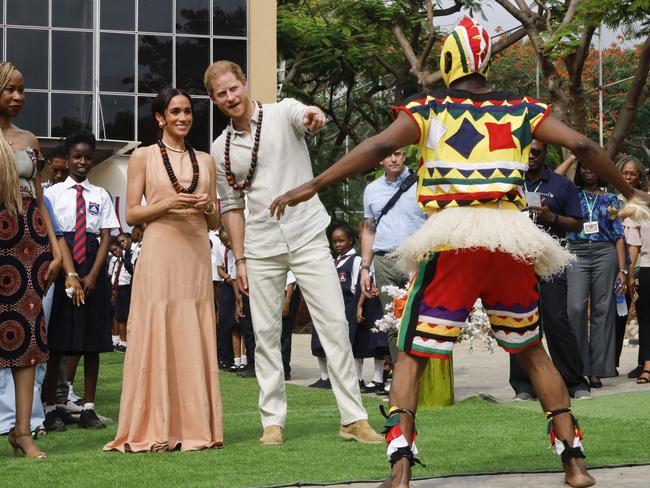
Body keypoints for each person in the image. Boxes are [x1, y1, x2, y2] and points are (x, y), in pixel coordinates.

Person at [269, 17, 650, 488]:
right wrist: (632, 194)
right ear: (485, 60)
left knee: (412, 351)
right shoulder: (521, 108)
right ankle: (575, 464)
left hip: (453, 238)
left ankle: (401, 469)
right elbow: (584, 145)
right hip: (510, 240)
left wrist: (315, 183)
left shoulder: (429, 108)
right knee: (530, 348)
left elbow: (380, 144)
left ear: (451, 60)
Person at [205, 60, 382, 445]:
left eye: (234, 88)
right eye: (222, 94)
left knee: (335, 323)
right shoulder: (220, 149)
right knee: (265, 333)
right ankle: (273, 422)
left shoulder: (282, 112)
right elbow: (232, 207)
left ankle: (353, 418)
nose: (231, 97)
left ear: (244, 83)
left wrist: (315, 116)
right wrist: (240, 260)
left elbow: (307, 115)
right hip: (261, 247)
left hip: (306, 235)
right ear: (214, 100)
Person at [104, 87, 223, 452]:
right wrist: (168, 202)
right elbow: (131, 214)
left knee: (192, 329)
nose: (183, 118)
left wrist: (205, 206)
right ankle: (151, 426)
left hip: (195, 257)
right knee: (157, 328)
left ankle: (196, 427)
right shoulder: (142, 156)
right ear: (160, 118)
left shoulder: (206, 160)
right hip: (159, 252)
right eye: (175, 112)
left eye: (187, 111)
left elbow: (216, 220)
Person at [0, 61, 78, 459]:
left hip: (28, 247)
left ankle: (22, 431)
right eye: (9, 89)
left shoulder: (29, 139)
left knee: (27, 338)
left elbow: (41, 199)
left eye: (21, 89)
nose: (17, 97)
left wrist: (55, 251)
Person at [44, 131, 119, 429]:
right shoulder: (52, 195)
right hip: (65, 269)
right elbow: (56, 237)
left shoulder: (100, 195)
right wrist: (70, 275)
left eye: (87, 157)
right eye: (76, 156)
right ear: (66, 158)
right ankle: (52, 407)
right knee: (58, 342)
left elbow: (105, 237)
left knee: (92, 341)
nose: (82, 162)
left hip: (92, 271)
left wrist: (93, 275)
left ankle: (88, 407)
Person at [508, 139, 590, 401]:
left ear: (545, 154)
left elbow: (577, 224)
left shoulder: (561, 185)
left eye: (536, 152)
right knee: (520, 323)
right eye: (526, 152)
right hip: (516, 262)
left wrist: (551, 217)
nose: (530, 156)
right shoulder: (508, 183)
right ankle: (524, 386)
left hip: (549, 261)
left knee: (556, 321)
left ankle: (575, 383)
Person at [360, 149, 427, 366]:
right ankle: (400, 377)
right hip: (383, 261)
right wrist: (364, 268)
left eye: (397, 154)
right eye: (388, 154)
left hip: (416, 259)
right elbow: (369, 230)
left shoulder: (422, 183)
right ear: (380, 159)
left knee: (421, 320)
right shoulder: (371, 190)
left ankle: (424, 380)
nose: (393, 158)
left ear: (404, 156)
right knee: (391, 323)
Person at [566, 162, 626, 389]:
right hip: (577, 252)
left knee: (603, 309)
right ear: (580, 171)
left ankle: (597, 371)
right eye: (584, 167)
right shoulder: (572, 194)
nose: (589, 169)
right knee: (576, 308)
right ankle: (579, 367)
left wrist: (622, 270)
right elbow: (555, 178)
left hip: (604, 253)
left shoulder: (610, 199)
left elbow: (618, 234)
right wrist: (572, 158)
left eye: (593, 167)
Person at [610, 156, 649, 383]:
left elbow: (636, 241)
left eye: (633, 173)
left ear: (640, 177)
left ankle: (643, 363)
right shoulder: (611, 199)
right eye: (624, 173)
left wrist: (630, 272)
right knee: (614, 313)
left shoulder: (644, 202)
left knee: (642, 314)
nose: (628, 177)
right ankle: (609, 362)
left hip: (636, 263)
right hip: (611, 261)